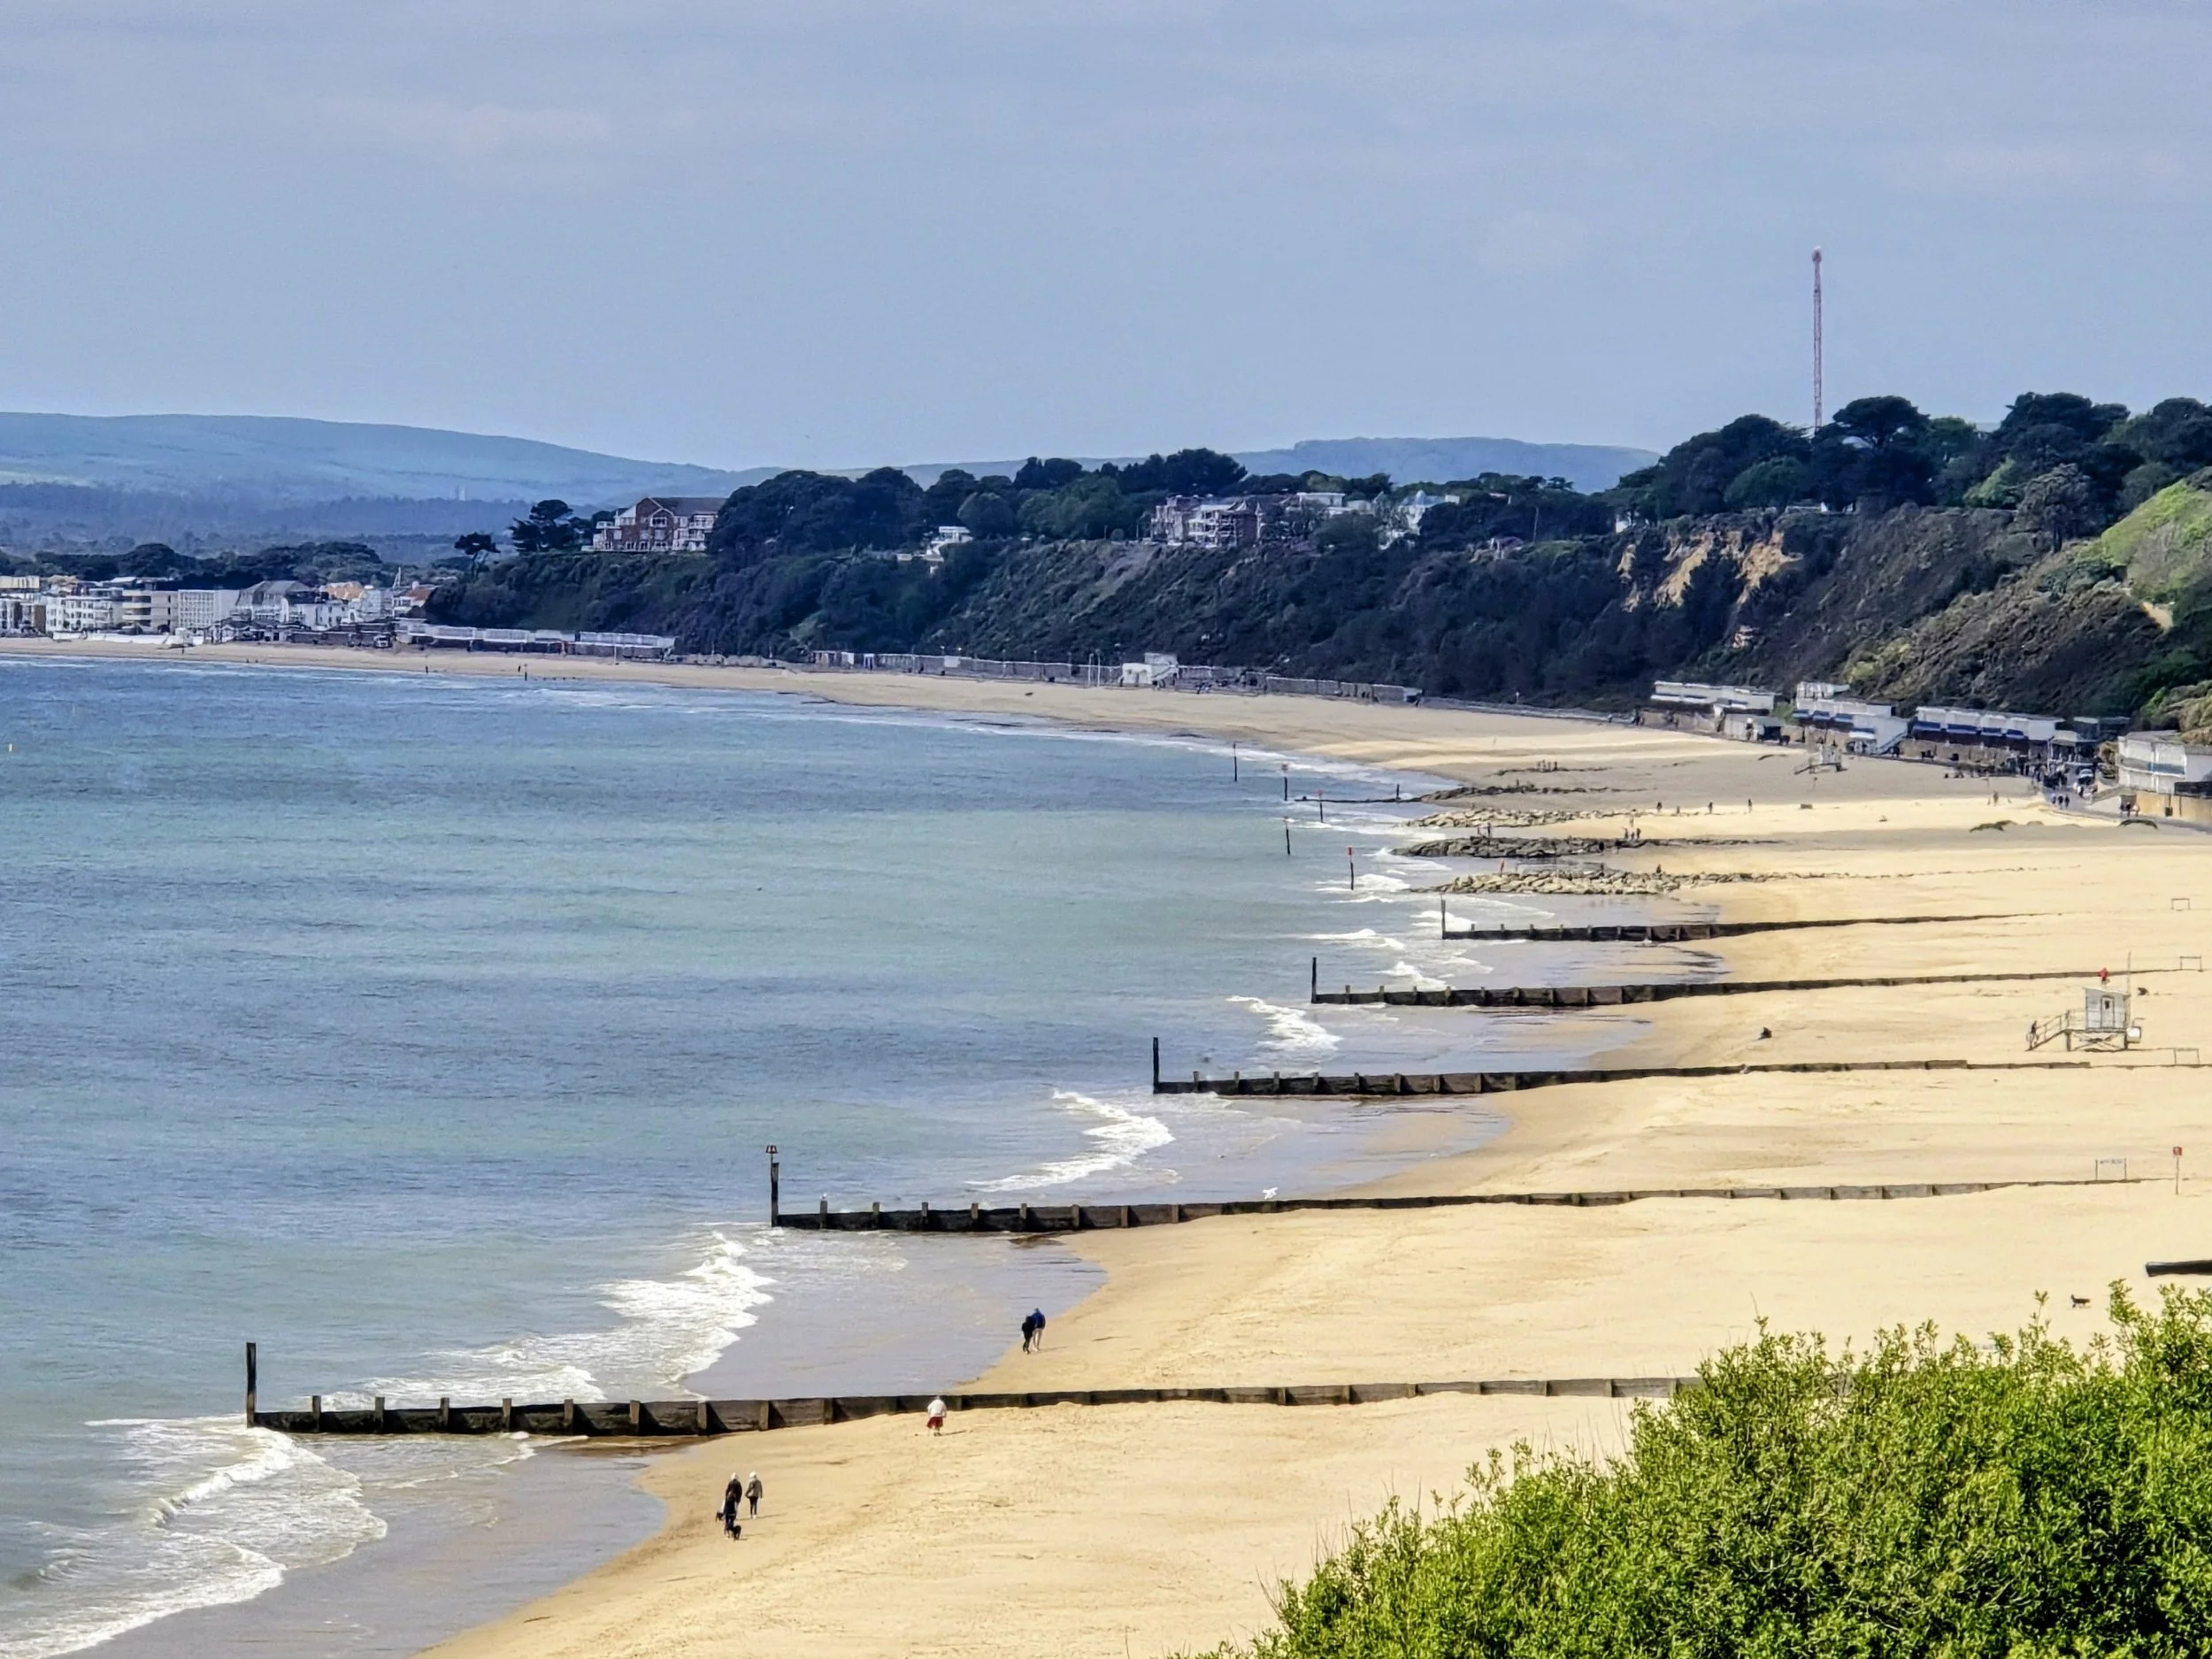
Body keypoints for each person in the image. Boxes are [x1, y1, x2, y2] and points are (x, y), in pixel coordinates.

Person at [718, 1473, 742, 1540]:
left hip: (727, 1509)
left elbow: (727, 1490)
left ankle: (727, 1532)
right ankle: (731, 1532)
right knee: (731, 1521)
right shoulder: (738, 1483)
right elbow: (740, 1491)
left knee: (727, 1522)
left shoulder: (730, 1482)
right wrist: (739, 1499)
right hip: (735, 1502)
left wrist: (726, 1497)